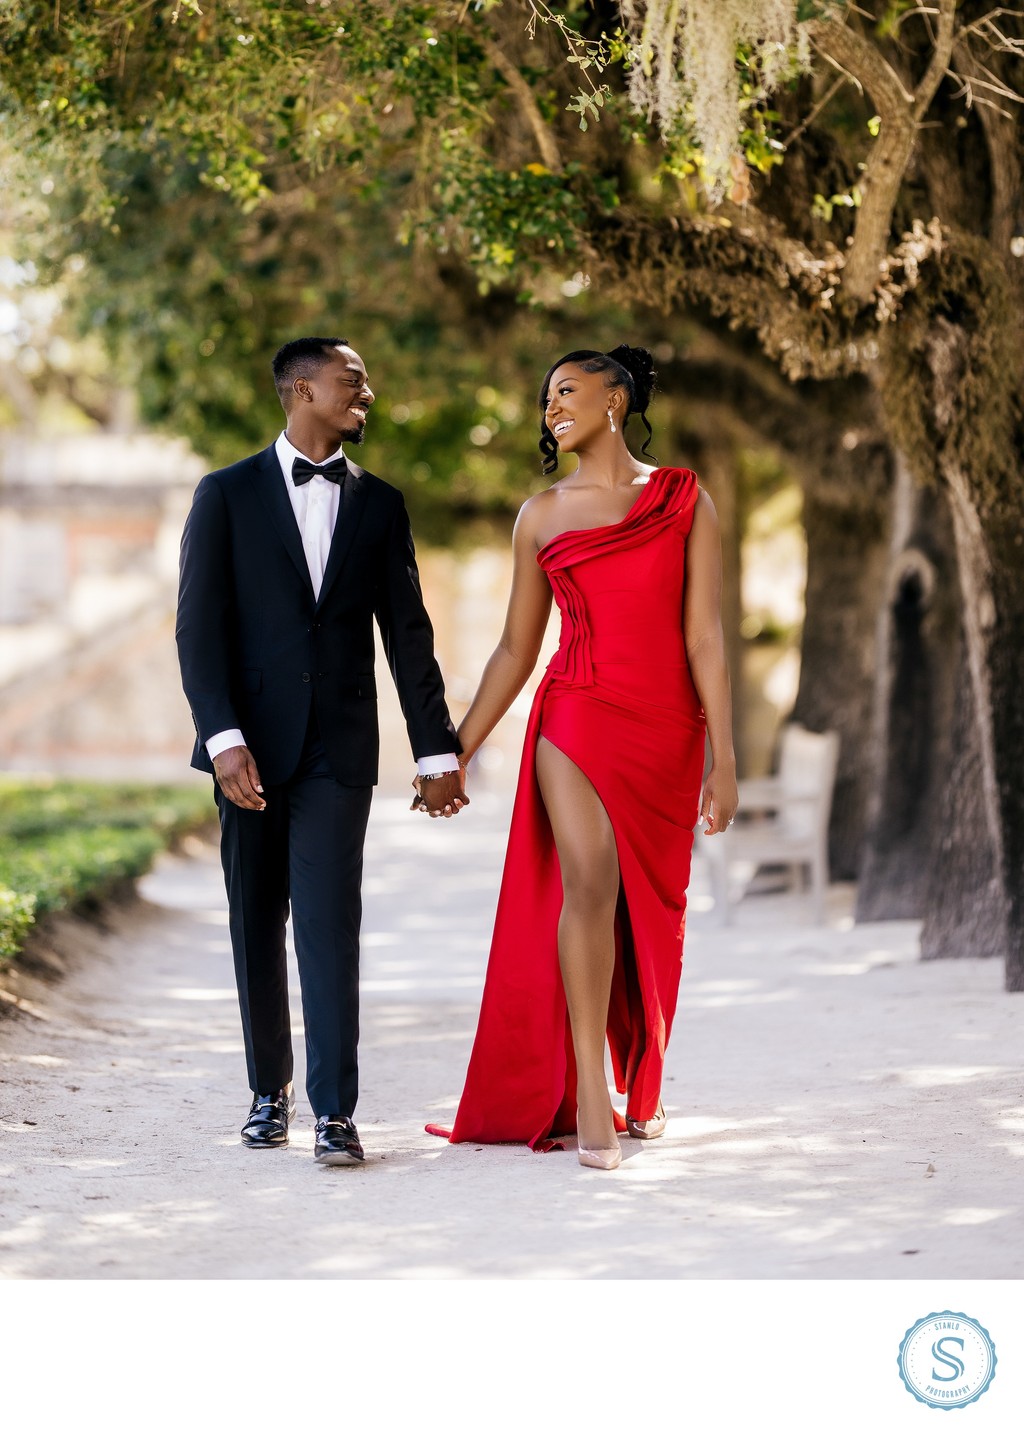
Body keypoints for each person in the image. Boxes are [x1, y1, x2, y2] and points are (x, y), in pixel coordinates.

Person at [423, 344, 737, 1170]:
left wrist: (725, 758)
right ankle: (592, 1098)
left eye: (566, 390)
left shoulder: (684, 498)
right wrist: (451, 752)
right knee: (590, 881)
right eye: (544, 398)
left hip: (669, 728)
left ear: (616, 396)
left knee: (655, 913)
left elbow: (705, 634)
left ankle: (644, 1078)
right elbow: (513, 652)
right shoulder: (540, 514)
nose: (551, 407)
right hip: (576, 712)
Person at [176, 336, 467, 1166]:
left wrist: (435, 749)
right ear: (301, 389)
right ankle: (268, 1091)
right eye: (353, 381)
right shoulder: (224, 495)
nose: (366, 394)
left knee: (332, 929)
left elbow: (409, 639)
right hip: (249, 755)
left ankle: (335, 1112)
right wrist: (223, 738)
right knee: (254, 923)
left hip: (340, 753)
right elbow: (199, 630)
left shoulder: (382, 504)